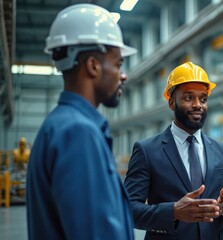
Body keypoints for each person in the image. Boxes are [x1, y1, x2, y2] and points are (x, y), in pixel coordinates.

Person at [26, 4, 137, 240]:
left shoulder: (58, 125)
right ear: (93, 66)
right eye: (118, 64)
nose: (123, 75)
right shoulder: (78, 133)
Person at [124, 62, 223, 239]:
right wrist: (172, 211)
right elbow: (128, 208)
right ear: (172, 103)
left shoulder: (221, 151)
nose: (198, 105)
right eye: (189, 98)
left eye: (203, 99)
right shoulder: (147, 150)